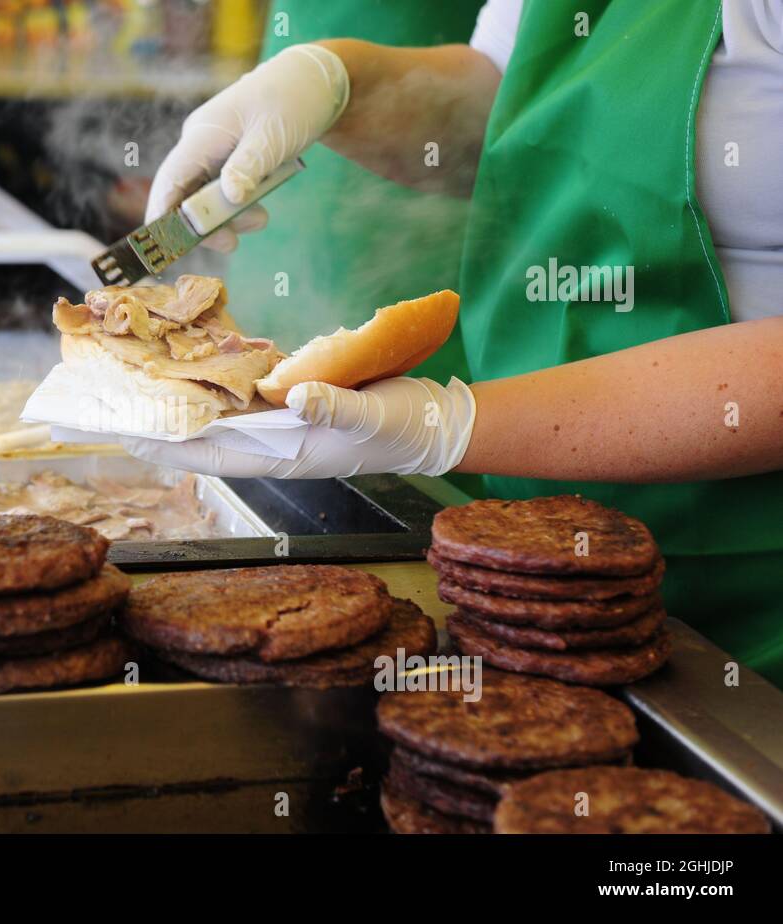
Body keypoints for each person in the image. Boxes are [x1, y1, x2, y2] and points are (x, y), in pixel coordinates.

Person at [124, 0, 783, 687]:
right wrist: (336, 82)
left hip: (749, 612)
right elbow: (498, 106)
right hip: (521, 555)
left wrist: (454, 424)